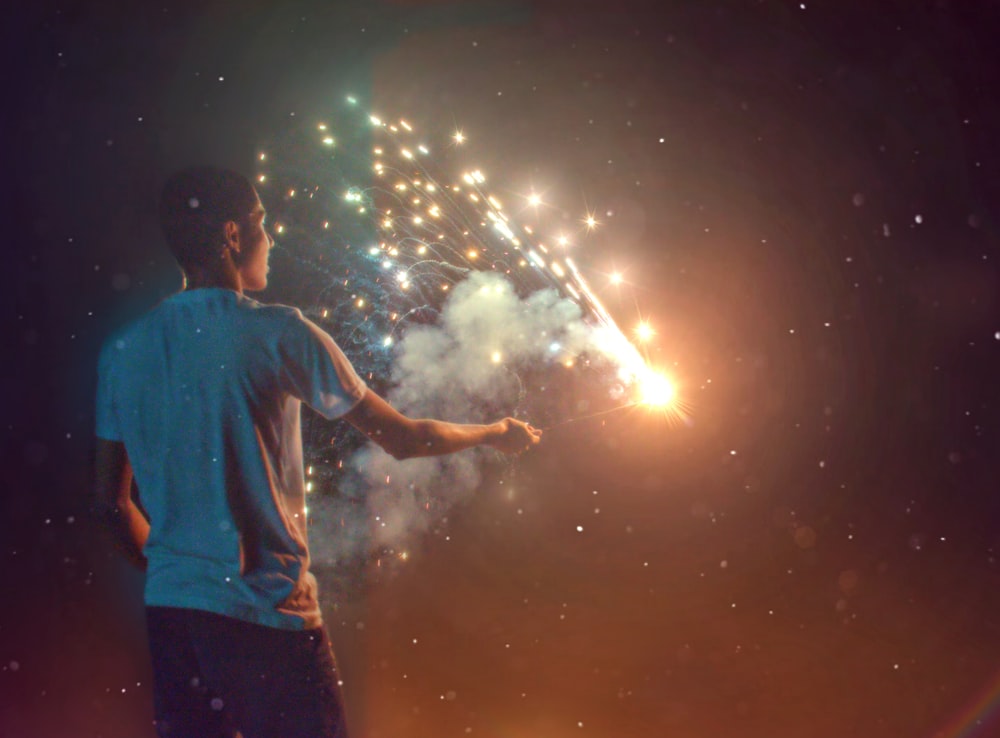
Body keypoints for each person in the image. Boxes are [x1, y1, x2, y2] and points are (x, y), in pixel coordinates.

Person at [93, 166, 541, 738]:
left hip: (175, 622)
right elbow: (405, 439)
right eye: (260, 221)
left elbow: (109, 503)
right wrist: (495, 433)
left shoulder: (123, 351)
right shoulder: (280, 333)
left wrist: (178, 576)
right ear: (232, 235)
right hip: (269, 622)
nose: (270, 237)